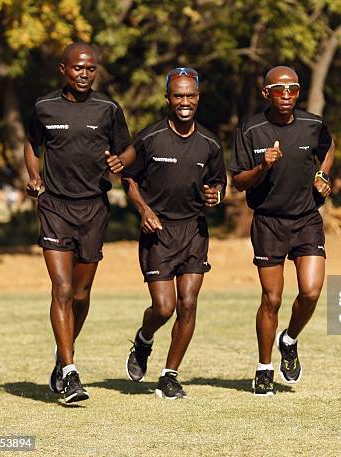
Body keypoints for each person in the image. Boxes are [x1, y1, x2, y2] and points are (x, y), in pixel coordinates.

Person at [24, 43, 134, 403]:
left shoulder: (108, 108)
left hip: (93, 210)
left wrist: (121, 164)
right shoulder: (43, 106)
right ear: (63, 70)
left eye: (90, 69)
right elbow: (31, 143)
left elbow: (127, 151)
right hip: (55, 207)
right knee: (62, 288)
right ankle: (70, 373)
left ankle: (62, 353)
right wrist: (34, 176)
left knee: (82, 294)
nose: (84, 74)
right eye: (78, 69)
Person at [122, 67, 226, 400]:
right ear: (168, 98)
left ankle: (169, 375)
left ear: (198, 98)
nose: (185, 102)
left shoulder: (209, 142)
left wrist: (217, 194)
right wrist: (144, 210)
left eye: (190, 96)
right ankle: (144, 339)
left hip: (194, 231)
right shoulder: (149, 137)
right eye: (178, 95)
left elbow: (218, 182)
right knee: (164, 307)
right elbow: (128, 178)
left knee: (189, 304)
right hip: (159, 232)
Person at [230, 66, 334, 396]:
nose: (286, 95)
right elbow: (237, 181)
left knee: (311, 291)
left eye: (293, 89)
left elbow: (329, 147)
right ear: (267, 93)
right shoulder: (251, 129)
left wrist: (323, 175)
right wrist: (264, 166)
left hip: (306, 219)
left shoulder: (312, 124)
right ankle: (263, 369)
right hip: (268, 222)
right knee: (271, 298)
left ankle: (289, 339)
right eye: (279, 89)